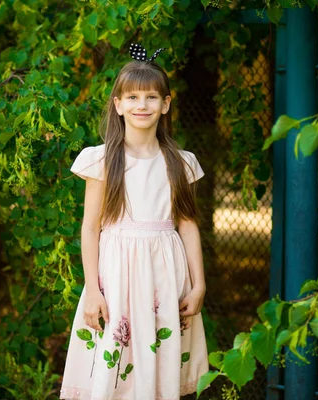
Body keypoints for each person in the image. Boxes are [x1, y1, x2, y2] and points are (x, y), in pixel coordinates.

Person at [60, 44, 208, 400]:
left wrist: (198, 284)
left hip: (165, 275)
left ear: (166, 104)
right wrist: (93, 290)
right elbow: (89, 228)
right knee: (117, 364)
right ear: (119, 105)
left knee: (158, 361)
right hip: (117, 275)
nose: (142, 105)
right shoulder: (101, 160)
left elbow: (187, 225)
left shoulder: (181, 162)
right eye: (133, 97)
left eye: (152, 97)